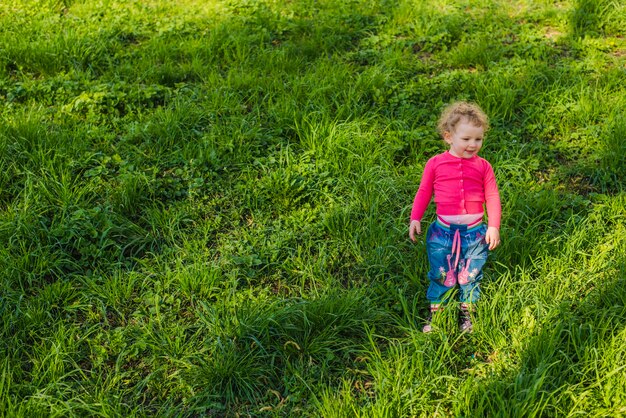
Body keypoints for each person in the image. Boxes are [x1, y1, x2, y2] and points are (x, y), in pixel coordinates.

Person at [409, 101, 501, 333]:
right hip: (443, 233)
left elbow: (492, 195)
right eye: (466, 139)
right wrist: (415, 218)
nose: (473, 144)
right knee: (441, 272)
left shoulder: (484, 166)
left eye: (478, 139)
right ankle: (436, 314)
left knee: (470, 273)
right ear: (449, 137)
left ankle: (467, 313)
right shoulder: (435, 163)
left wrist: (493, 226)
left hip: (474, 233)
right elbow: (424, 191)